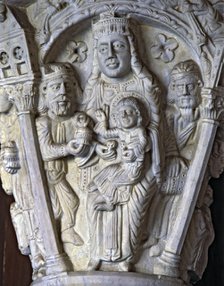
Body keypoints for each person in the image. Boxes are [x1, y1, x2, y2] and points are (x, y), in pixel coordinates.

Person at [83, 11, 163, 181]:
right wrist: (98, 147)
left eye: (118, 46)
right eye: (103, 49)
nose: (110, 54)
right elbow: (89, 131)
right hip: (106, 165)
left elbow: (157, 127)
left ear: (132, 50)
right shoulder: (96, 88)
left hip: (141, 169)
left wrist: (138, 148)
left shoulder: (143, 83)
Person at [87, 95, 155, 271]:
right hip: (123, 165)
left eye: (129, 112)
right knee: (102, 177)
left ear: (138, 116)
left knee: (115, 180)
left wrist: (134, 152)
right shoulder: (121, 131)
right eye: (120, 113)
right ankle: (96, 253)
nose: (124, 115)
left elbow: (143, 143)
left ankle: (109, 201)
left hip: (134, 170)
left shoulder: (139, 130)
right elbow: (105, 133)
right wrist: (102, 121)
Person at [36, 63, 95, 248]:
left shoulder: (72, 119)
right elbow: (45, 151)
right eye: (56, 87)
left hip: (59, 174)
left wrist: (83, 125)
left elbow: (82, 133)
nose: (63, 92)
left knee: (71, 201)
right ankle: (43, 242)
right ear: (45, 94)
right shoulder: (43, 122)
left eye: (67, 87)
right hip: (44, 175)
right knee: (52, 209)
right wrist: (67, 149)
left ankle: (67, 230)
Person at [0, 88, 45, 280]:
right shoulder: (3, 122)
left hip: (38, 172)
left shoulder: (30, 108)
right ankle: (40, 259)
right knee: (29, 211)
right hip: (22, 176)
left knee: (39, 211)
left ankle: (45, 258)